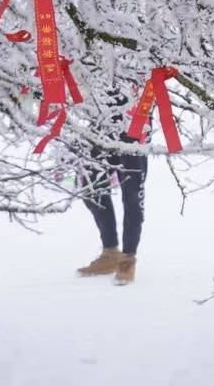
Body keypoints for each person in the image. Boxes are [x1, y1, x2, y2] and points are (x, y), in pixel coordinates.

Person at [75, 91, 148, 286]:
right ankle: (110, 252)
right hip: (101, 120)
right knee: (90, 185)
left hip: (134, 120)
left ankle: (128, 259)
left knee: (132, 194)